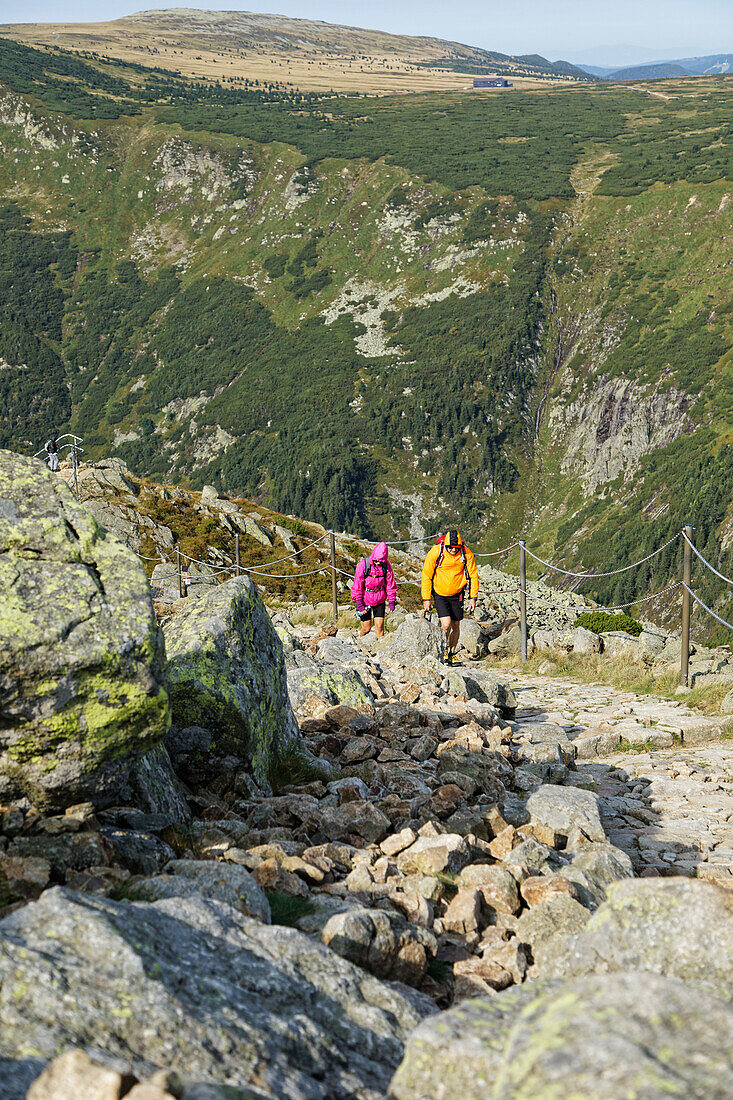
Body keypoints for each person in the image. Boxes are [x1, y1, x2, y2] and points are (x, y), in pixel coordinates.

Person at [421, 528, 479, 665]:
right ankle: (443, 651)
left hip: (457, 593)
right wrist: (426, 598)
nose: (453, 550)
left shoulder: (466, 553)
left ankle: (452, 654)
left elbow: (473, 575)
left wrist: (473, 597)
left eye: (456, 548)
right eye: (450, 548)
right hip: (440, 593)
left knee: (456, 624)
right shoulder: (436, 552)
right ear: (446, 545)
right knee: (445, 625)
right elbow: (426, 575)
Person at [351, 541, 397, 639]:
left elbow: (390, 584)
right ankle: (360, 642)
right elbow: (357, 585)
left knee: (379, 626)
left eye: (381, 561)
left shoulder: (386, 565)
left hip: (380, 598)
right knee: (366, 628)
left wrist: (391, 601)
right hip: (365, 599)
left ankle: (380, 648)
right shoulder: (363, 565)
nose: (378, 563)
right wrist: (359, 604)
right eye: (376, 561)